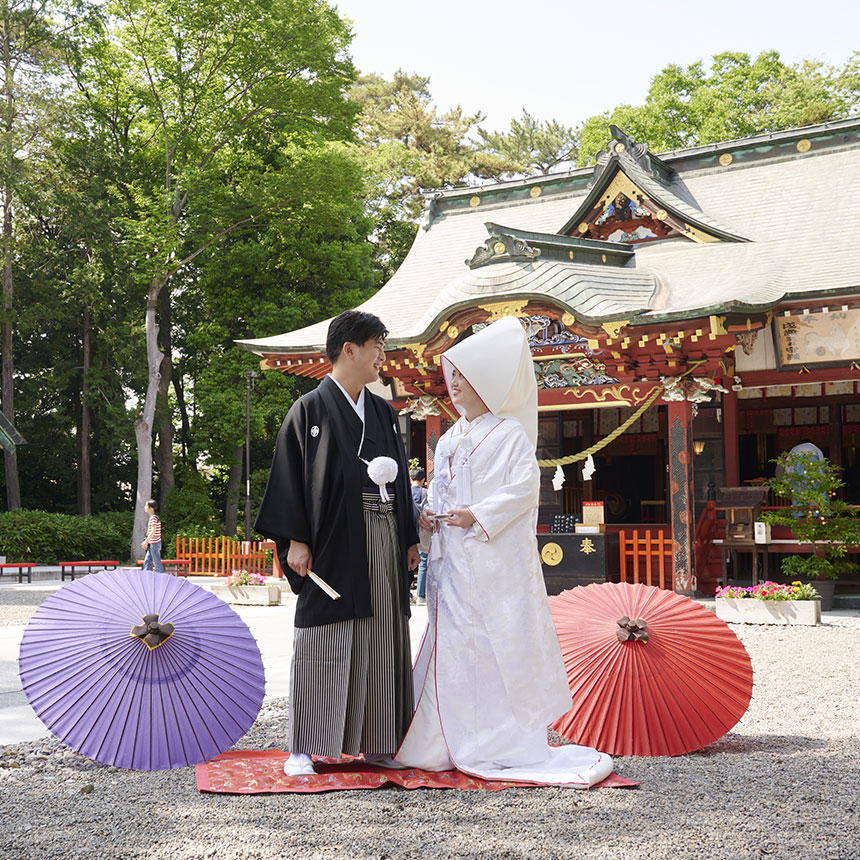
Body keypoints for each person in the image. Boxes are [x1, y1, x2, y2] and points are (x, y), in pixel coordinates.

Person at [394, 316, 612, 787]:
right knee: (448, 645)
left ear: (484, 384)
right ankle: (435, 740)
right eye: (451, 379)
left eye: (462, 379)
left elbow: (524, 489)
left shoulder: (510, 433)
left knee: (493, 649)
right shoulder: (450, 436)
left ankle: (493, 740)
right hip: (452, 562)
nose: (454, 387)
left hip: (492, 564)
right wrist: (428, 518)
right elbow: (437, 491)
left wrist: (479, 514)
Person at [255, 310, 420, 776]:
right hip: (330, 541)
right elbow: (289, 480)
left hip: (384, 536)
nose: (382, 358)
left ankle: (379, 739)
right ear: (350, 349)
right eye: (377, 348)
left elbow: (402, 483)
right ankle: (304, 745)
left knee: (383, 633)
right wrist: (294, 540)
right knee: (324, 634)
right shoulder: (308, 409)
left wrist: (408, 535)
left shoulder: (384, 413)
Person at [409, 466, 428, 606]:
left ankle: (408, 594)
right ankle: (421, 596)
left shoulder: (405, 492)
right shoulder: (425, 493)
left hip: (408, 530)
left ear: (410, 479)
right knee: (422, 563)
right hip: (421, 531)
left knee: (405, 563)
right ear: (423, 479)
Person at [141, 500, 164, 572]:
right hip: (153, 543)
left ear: (151, 508)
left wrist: (146, 541)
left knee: (156, 562)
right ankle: (146, 575)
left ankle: (161, 577)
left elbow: (153, 531)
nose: (145, 507)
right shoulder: (153, 518)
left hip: (154, 543)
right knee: (147, 561)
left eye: (146, 506)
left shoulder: (153, 518)